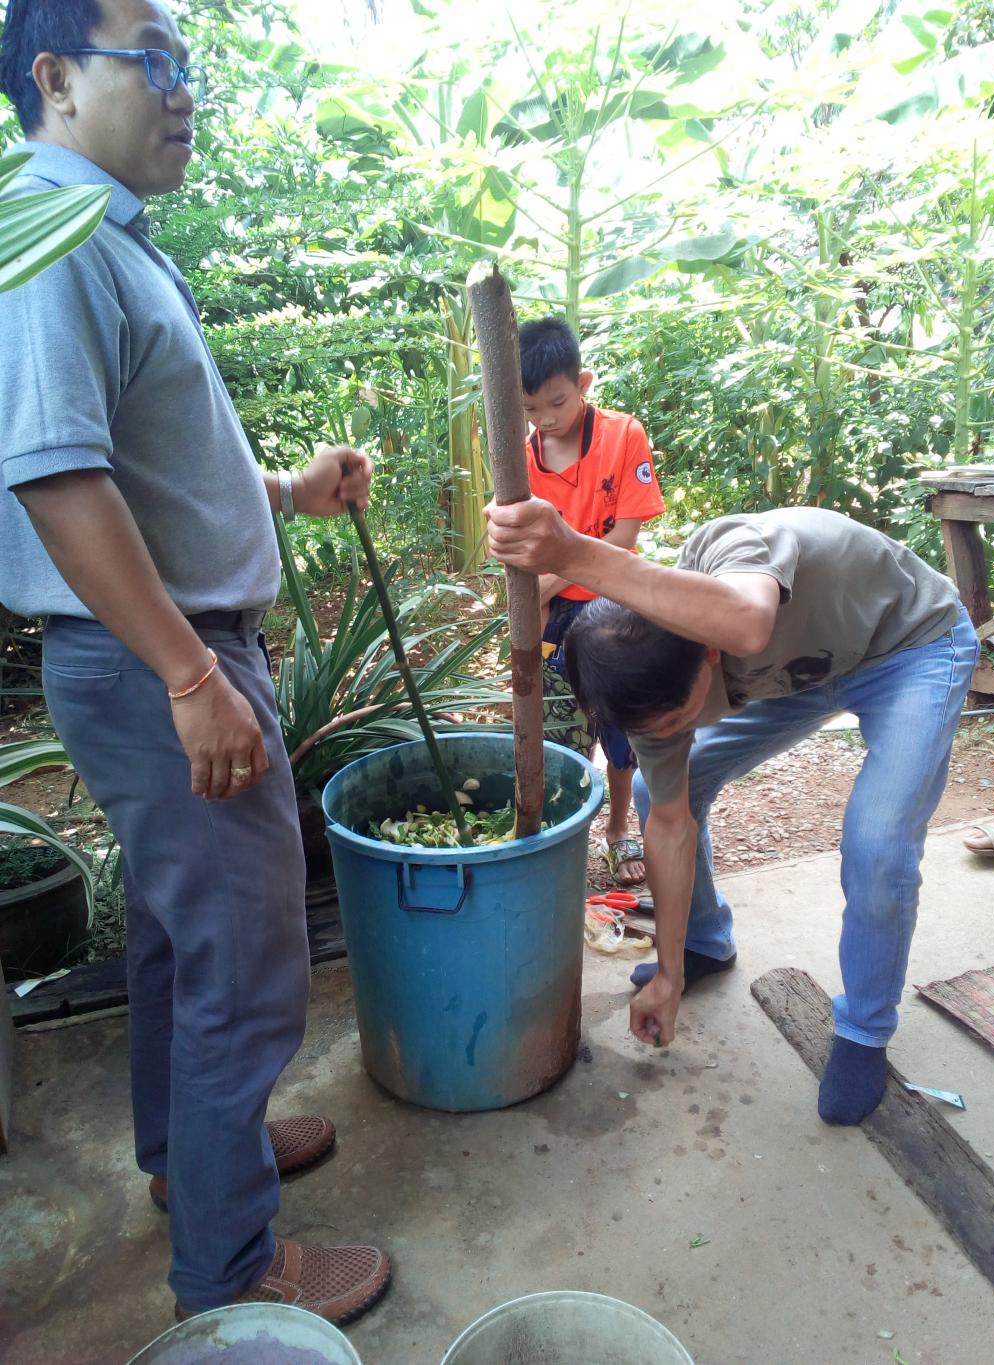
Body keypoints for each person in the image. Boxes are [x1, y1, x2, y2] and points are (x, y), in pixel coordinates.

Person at [0, 0, 390, 1323]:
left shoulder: (104, 238)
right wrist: (189, 676)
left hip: (151, 654)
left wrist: (288, 491)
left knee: (184, 938)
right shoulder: (52, 242)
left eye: (187, 64)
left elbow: (147, 472)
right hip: (152, 663)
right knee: (246, 962)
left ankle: (191, 1158)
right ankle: (231, 1270)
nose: (183, 89)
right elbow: (59, 480)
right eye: (152, 59)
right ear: (56, 78)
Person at [486, 497, 979, 1125]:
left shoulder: (737, 546)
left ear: (708, 652)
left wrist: (571, 552)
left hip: (909, 646)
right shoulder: (645, 686)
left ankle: (865, 1029)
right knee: (658, 793)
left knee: (878, 843)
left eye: (679, 717)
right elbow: (670, 824)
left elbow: (747, 624)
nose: (669, 734)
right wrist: (667, 975)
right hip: (800, 674)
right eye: (654, 729)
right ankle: (703, 944)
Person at [519, 317, 665, 886]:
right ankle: (563, 837)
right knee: (560, 729)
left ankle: (619, 829)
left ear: (583, 383)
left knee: (621, 731)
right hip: (552, 616)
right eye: (531, 409)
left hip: (614, 603)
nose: (545, 419)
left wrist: (553, 578)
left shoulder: (623, 435)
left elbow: (624, 537)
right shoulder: (520, 457)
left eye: (557, 402)